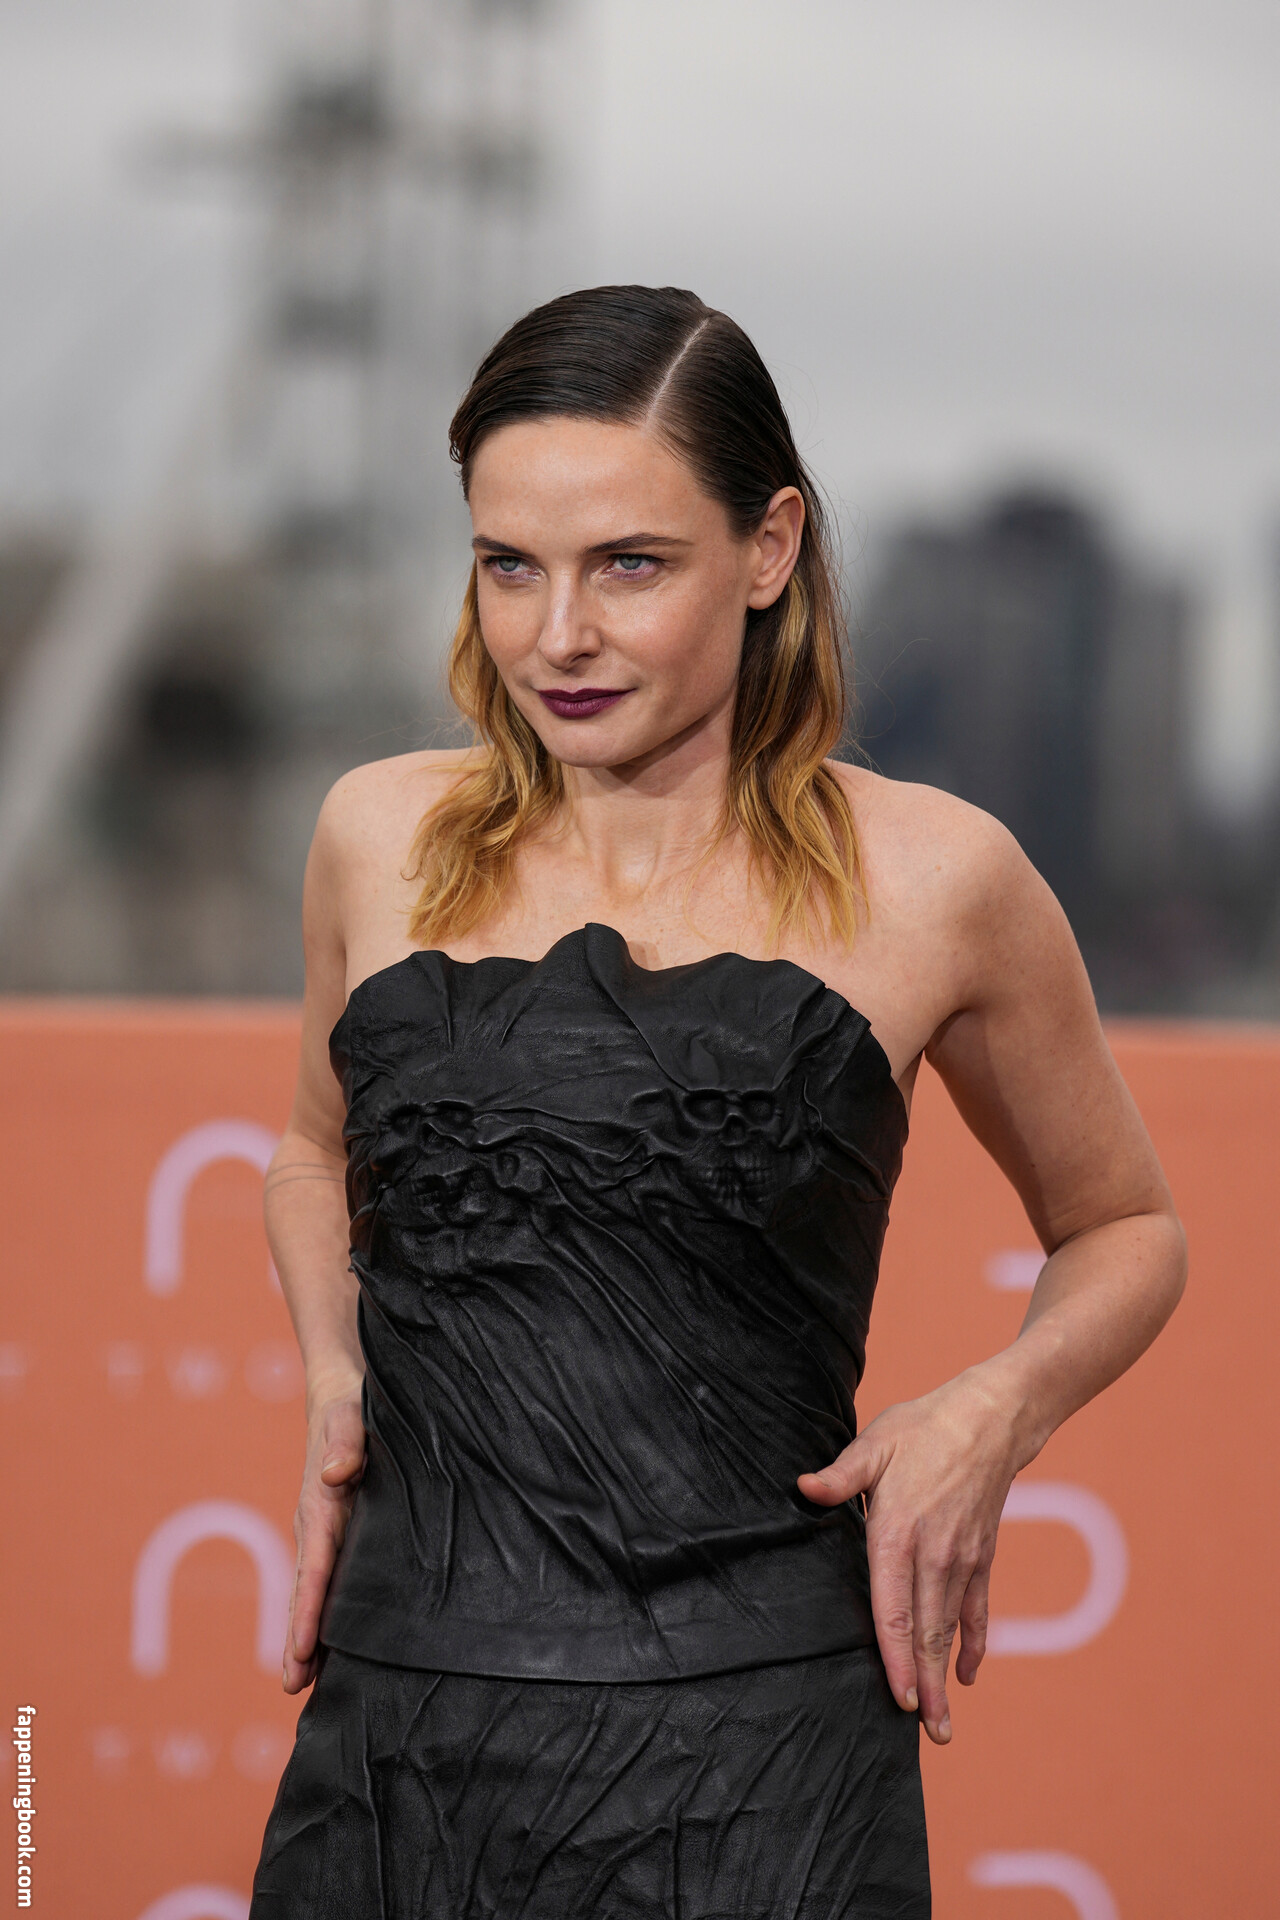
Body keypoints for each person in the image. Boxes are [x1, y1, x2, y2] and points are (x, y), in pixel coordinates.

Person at [247, 285, 1186, 1920]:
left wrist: (992, 1413)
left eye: (629, 564)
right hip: (401, 1737)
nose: (558, 636)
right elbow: (309, 1154)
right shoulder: (374, 837)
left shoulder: (941, 879)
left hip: (765, 1768)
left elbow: (1126, 1227)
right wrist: (336, 1370)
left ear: (769, 549)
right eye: (509, 565)